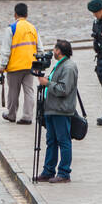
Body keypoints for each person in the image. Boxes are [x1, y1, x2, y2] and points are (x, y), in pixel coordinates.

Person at [38, 39, 78, 184]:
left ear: (59, 51)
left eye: (55, 48)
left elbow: (64, 89)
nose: (53, 51)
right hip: (52, 109)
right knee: (51, 142)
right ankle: (48, 171)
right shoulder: (60, 65)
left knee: (63, 141)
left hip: (61, 110)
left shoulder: (68, 67)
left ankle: (64, 173)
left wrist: (47, 83)